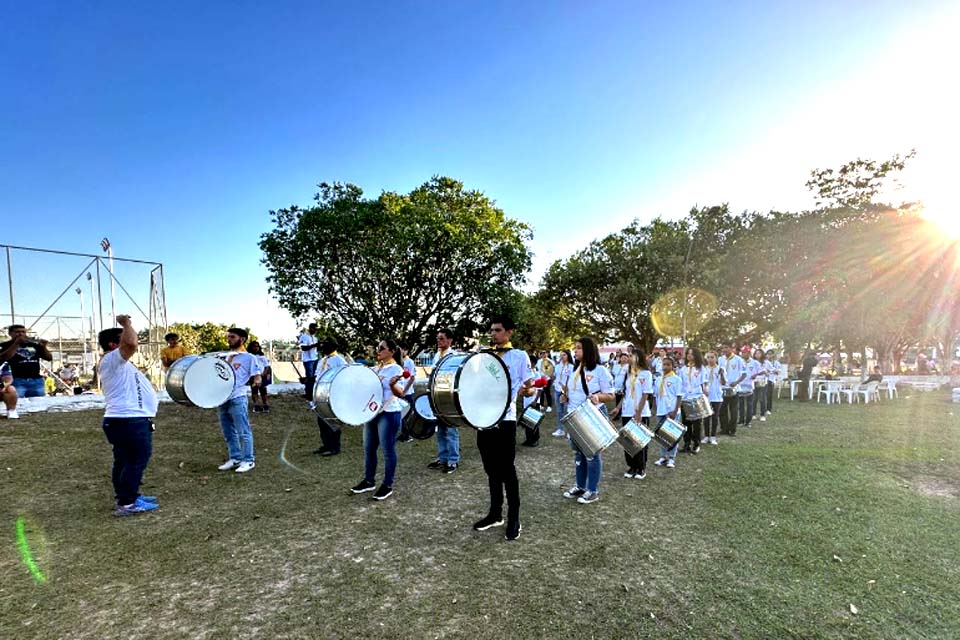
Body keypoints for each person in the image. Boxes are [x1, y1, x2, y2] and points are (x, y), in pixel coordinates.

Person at [472, 315, 534, 541]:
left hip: (506, 420)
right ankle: (495, 513)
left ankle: (514, 517)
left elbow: (530, 386)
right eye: (491, 330)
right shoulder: (484, 356)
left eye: (497, 330)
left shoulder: (519, 356)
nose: (493, 334)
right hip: (484, 420)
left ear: (509, 332)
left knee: (507, 470)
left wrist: (526, 392)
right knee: (490, 469)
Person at [98, 315, 160, 517]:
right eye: (122, 337)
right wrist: (126, 324)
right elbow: (132, 343)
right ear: (113, 344)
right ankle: (127, 503)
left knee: (124, 461)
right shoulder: (112, 359)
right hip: (128, 421)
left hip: (125, 420)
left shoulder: (118, 363)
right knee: (135, 460)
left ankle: (128, 496)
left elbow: (132, 343)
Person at [350, 339, 406, 501]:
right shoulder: (375, 368)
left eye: (382, 348)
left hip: (388, 413)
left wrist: (393, 384)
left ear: (392, 351)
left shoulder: (396, 368)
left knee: (388, 451)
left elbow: (400, 392)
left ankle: (387, 485)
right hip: (372, 414)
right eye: (378, 348)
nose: (378, 350)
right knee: (369, 449)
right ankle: (369, 481)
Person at [562, 336, 615, 505]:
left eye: (579, 348)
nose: (575, 351)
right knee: (578, 453)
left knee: (592, 454)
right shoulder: (575, 370)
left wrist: (598, 397)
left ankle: (592, 490)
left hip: (591, 416)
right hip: (574, 418)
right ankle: (580, 486)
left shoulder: (601, 371)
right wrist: (565, 396)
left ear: (588, 350)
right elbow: (573, 392)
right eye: (575, 348)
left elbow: (611, 395)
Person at [216, 328, 263, 474]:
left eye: (232, 337)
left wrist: (257, 380)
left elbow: (257, 375)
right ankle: (235, 457)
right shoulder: (225, 356)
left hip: (238, 397)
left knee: (243, 430)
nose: (229, 339)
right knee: (228, 431)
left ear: (242, 339)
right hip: (223, 398)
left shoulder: (249, 358)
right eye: (228, 337)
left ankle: (248, 460)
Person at [610, 351, 653, 479]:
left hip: (640, 412)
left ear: (638, 357)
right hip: (627, 411)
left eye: (631, 356)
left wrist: (639, 413)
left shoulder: (646, 374)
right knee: (628, 440)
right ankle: (632, 466)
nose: (628, 358)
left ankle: (641, 468)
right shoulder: (628, 373)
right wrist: (617, 408)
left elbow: (645, 394)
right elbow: (626, 393)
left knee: (639, 440)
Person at [0, 325, 54, 413]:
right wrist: (16, 344)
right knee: (18, 405)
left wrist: (43, 347)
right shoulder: (4, 345)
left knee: (39, 406)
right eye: (17, 332)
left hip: (36, 380)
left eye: (23, 332)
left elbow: (48, 358)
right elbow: (4, 358)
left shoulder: (33, 345)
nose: (21, 334)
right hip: (17, 379)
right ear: (10, 333)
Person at [428, 328, 460, 472]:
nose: (438, 341)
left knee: (451, 429)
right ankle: (443, 458)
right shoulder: (436, 355)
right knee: (440, 430)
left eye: (441, 338)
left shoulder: (453, 356)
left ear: (449, 340)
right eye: (438, 338)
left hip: (448, 397)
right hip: (437, 396)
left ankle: (453, 460)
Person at [314, 337, 347, 456]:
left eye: (326, 345)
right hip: (320, 395)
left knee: (332, 421)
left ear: (333, 346)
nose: (323, 347)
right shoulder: (321, 360)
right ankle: (326, 444)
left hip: (333, 395)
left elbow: (344, 377)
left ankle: (335, 447)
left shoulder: (340, 361)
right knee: (321, 421)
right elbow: (318, 376)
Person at [653, 356, 684, 469]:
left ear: (673, 366)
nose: (665, 367)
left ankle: (671, 457)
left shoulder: (676, 379)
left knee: (671, 435)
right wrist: (656, 408)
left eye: (668, 365)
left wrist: (675, 410)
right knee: (662, 435)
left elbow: (679, 396)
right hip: (661, 410)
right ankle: (663, 456)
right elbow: (656, 395)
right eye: (664, 364)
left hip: (672, 410)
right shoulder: (658, 379)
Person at [679, 347, 706, 454]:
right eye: (688, 354)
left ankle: (696, 444)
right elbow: (680, 385)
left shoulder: (701, 368)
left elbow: (704, 382)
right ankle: (686, 443)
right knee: (686, 423)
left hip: (696, 397)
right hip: (685, 398)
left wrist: (705, 391)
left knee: (697, 423)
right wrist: (680, 398)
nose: (689, 356)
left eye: (692, 354)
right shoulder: (683, 369)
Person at [701, 351, 726, 445]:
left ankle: (713, 436)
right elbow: (702, 382)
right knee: (706, 417)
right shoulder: (704, 369)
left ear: (716, 358)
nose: (710, 359)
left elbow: (723, 383)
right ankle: (706, 435)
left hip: (717, 396)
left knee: (715, 417)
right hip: (706, 396)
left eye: (712, 357)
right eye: (708, 357)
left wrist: (722, 374)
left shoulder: (720, 369)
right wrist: (703, 390)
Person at [720, 344, 745, 435]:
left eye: (727, 347)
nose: (725, 349)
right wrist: (721, 376)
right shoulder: (720, 359)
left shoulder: (738, 359)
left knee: (733, 410)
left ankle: (732, 429)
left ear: (731, 348)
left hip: (734, 388)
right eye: (723, 348)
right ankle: (724, 428)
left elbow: (744, 374)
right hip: (723, 388)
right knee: (722, 410)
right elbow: (718, 373)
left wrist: (736, 382)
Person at [397, 346, 418, 443]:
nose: (401, 351)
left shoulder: (409, 362)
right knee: (401, 415)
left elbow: (412, 378)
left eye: (403, 349)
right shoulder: (398, 362)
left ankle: (407, 435)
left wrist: (405, 391)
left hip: (407, 393)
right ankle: (404, 434)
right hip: (400, 392)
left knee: (405, 414)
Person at [552, 349, 574, 437]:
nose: (562, 356)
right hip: (557, 390)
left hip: (566, 391)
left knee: (566, 411)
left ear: (568, 356)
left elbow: (571, 380)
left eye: (564, 355)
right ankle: (560, 429)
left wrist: (566, 392)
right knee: (559, 411)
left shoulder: (571, 367)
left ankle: (569, 431)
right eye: (561, 355)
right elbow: (554, 376)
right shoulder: (557, 366)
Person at [247, 341, 272, 413]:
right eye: (254, 346)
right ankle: (256, 405)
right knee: (254, 391)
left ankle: (265, 405)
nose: (256, 348)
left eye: (257, 346)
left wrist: (264, 374)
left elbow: (267, 366)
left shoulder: (262, 356)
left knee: (263, 391)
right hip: (253, 376)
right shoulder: (249, 356)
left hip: (262, 376)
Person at [298, 323, 320, 400]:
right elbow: (303, 348)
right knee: (310, 377)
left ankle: (312, 393)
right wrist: (314, 345)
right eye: (314, 329)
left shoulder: (315, 337)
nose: (315, 331)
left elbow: (316, 348)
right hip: (308, 360)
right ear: (310, 328)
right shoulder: (304, 336)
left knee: (314, 377)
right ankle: (308, 394)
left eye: (316, 329)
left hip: (315, 358)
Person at [753, 349, 768, 422]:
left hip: (762, 382)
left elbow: (766, 371)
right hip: (754, 381)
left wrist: (764, 373)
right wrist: (760, 373)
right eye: (756, 353)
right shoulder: (753, 362)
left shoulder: (765, 362)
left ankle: (762, 415)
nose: (757, 354)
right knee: (754, 399)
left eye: (759, 353)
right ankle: (753, 414)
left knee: (762, 399)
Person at [764, 350, 779, 416]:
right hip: (764, 380)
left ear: (773, 355)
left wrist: (770, 371)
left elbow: (777, 371)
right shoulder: (764, 362)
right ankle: (764, 408)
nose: (769, 355)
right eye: (768, 354)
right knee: (764, 395)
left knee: (769, 395)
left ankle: (768, 409)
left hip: (771, 380)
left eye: (770, 354)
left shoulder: (776, 362)